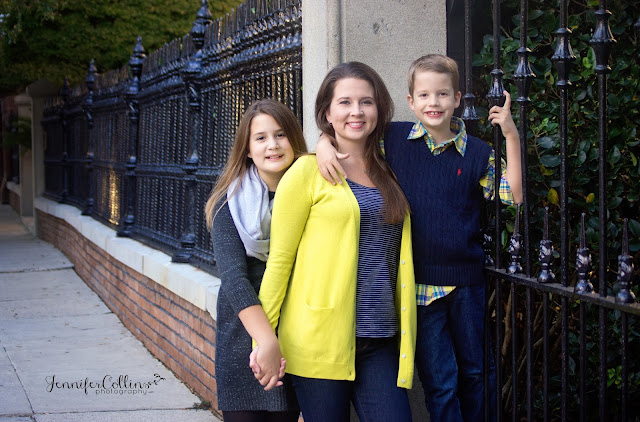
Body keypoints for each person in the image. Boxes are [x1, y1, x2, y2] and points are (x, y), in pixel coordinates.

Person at [316, 54, 523, 422]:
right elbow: (351, 135)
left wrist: (510, 134)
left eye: (442, 94)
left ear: (456, 98)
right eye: (424, 95)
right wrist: (324, 143)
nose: (433, 103)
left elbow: (514, 195)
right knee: (441, 382)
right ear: (411, 102)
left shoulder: (478, 153)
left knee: (477, 372)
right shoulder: (394, 140)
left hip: (466, 284)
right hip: (419, 288)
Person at [253, 62, 417, 422]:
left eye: (366, 102)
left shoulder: (393, 166)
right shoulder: (305, 172)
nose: (356, 111)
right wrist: (263, 341)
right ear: (327, 113)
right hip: (317, 340)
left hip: (380, 338)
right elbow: (279, 262)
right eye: (345, 102)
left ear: (379, 109)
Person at [204, 99, 307, 422]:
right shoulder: (229, 202)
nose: (272, 145)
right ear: (247, 149)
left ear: (294, 139)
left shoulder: (313, 195)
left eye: (280, 135)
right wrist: (266, 342)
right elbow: (234, 279)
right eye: (260, 138)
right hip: (242, 334)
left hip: (297, 331)